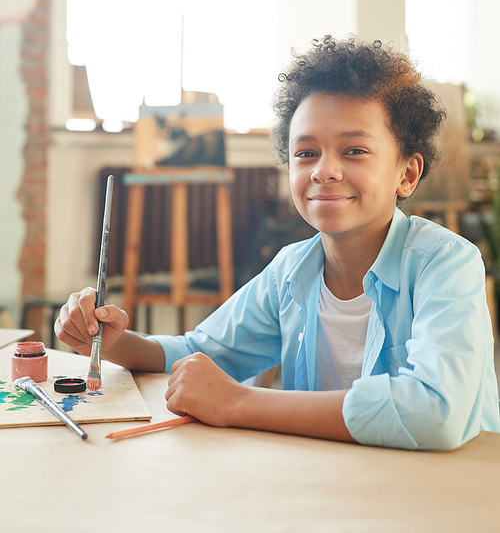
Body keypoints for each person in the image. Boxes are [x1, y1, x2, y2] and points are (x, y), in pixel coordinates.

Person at [55, 36, 500, 450]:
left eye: (354, 151)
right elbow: (198, 355)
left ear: (407, 174)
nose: (324, 170)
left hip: (445, 497)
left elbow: (436, 411)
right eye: (306, 153)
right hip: (331, 488)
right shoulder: (292, 271)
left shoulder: (446, 263)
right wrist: (112, 341)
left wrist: (238, 403)